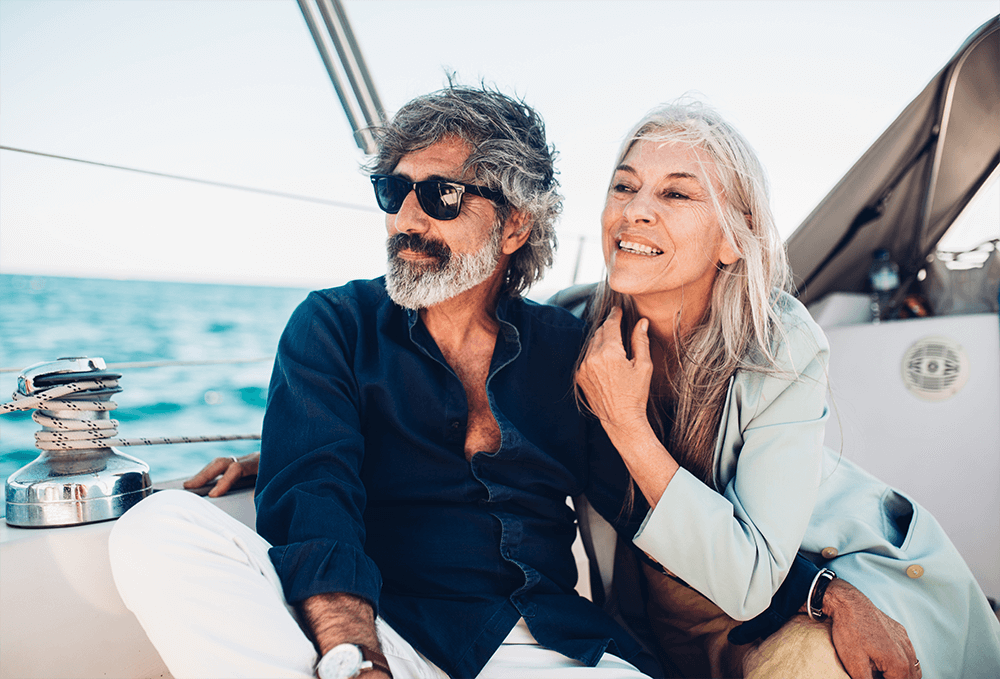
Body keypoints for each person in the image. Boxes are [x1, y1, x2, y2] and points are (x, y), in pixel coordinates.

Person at [114, 85, 916, 679]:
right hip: (391, 639)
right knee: (159, 530)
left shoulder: (573, 350)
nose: (408, 218)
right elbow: (316, 491)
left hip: (553, 651)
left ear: (516, 224)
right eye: (394, 191)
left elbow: (648, 496)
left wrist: (822, 592)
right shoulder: (333, 328)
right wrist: (353, 653)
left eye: (443, 194)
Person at [574, 99, 1000, 679]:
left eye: (676, 194)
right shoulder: (569, 334)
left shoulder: (778, 341)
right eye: (624, 187)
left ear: (733, 241)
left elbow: (750, 580)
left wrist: (628, 426)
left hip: (829, 568)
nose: (636, 211)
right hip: (667, 612)